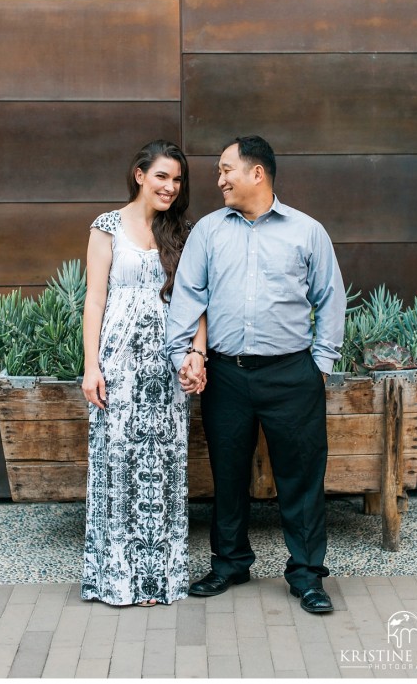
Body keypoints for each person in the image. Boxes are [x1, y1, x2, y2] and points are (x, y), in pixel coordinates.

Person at [166, 135, 346, 614]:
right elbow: (188, 294)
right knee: (227, 473)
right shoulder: (208, 231)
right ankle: (229, 564)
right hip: (226, 375)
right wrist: (185, 352)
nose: (219, 178)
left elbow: (330, 297)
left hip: (291, 374)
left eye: (226, 169)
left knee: (302, 477)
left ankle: (307, 575)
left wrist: (320, 365)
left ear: (257, 173)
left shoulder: (307, 231)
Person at [81, 140, 206, 607]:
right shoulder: (107, 227)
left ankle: (156, 580)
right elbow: (94, 300)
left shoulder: (185, 232)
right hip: (117, 366)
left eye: (177, 180)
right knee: (120, 467)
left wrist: (198, 352)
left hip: (167, 370)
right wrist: (91, 366)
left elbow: (197, 303)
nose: (171, 187)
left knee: (161, 470)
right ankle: (116, 580)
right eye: (162, 177)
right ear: (139, 175)